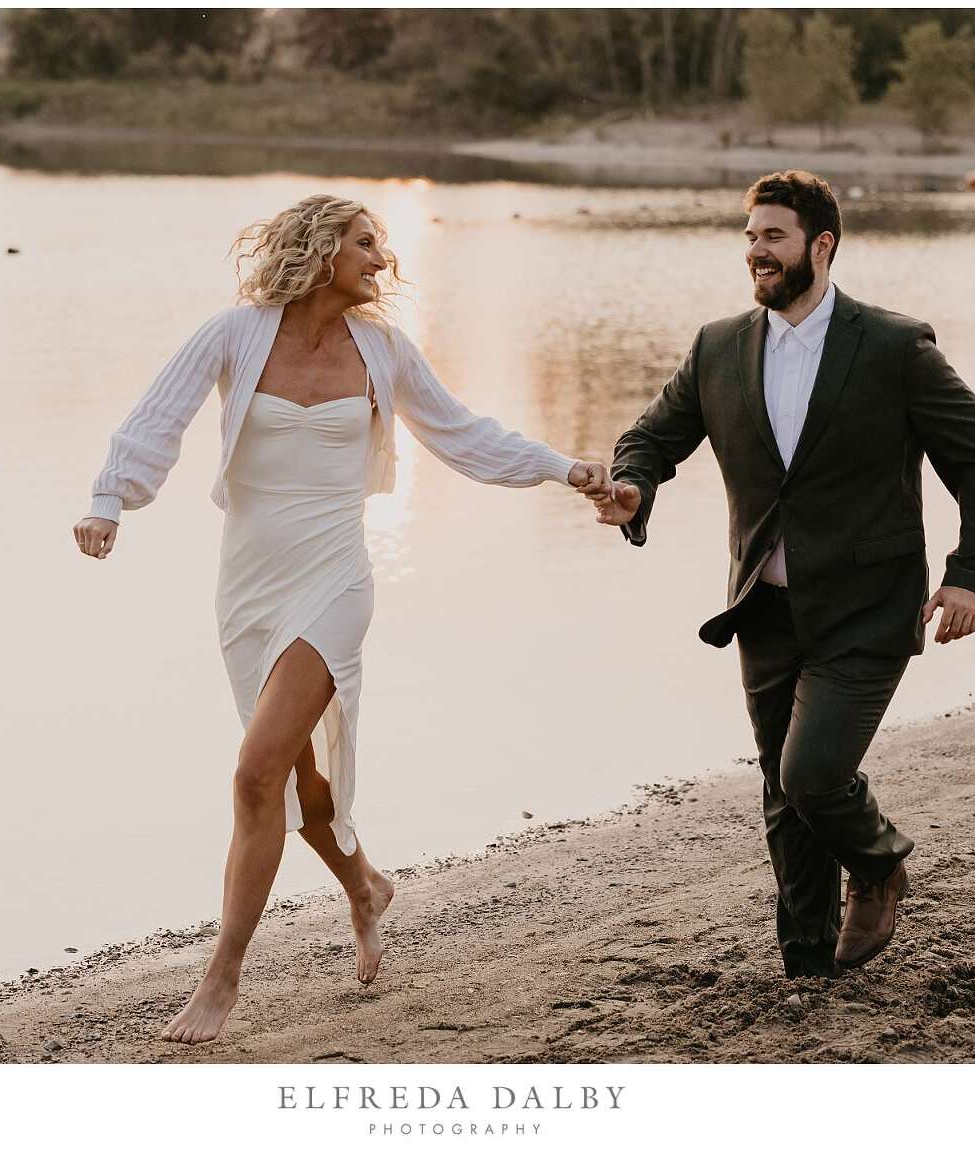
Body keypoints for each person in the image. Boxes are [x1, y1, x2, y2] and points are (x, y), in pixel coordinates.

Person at [73, 194, 607, 1043]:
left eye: (382, 245)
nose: (381, 260)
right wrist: (112, 500)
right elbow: (157, 417)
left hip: (334, 581)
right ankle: (364, 886)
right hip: (248, 585)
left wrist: (561, 468)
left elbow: (462, 434)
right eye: (365, 243)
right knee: (295, 778)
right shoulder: (234, 335)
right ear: (320, 250)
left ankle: (221, 980)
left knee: (255, 774)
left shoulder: (384, 351)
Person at [585, 170, 975, 979]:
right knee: (783, 797)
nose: (757, 253)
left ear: (822, 245)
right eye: (750, 237)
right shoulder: (719, 347)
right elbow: (652, 435)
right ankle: (807, 961)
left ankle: (880, 864)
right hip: (765, 609)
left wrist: (969, 574)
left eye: (773, 237)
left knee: (812, 773)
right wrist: (633, 486)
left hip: (868, 609)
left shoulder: (891, 347)